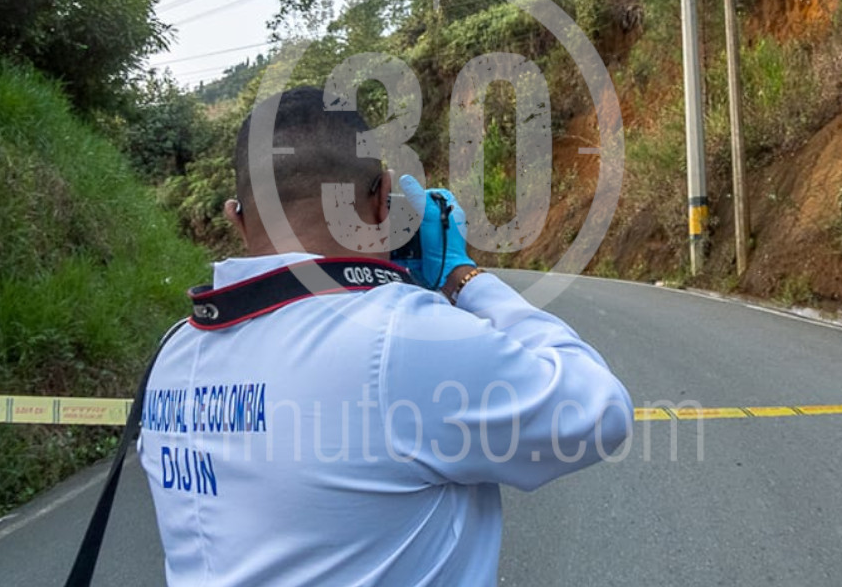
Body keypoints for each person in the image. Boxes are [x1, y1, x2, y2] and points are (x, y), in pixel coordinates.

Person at [137, 85, 632, 586]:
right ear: (381, 201)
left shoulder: (174, 352)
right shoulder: (401, 338)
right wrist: (462, 277)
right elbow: (599, 411)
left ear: (236, 220)